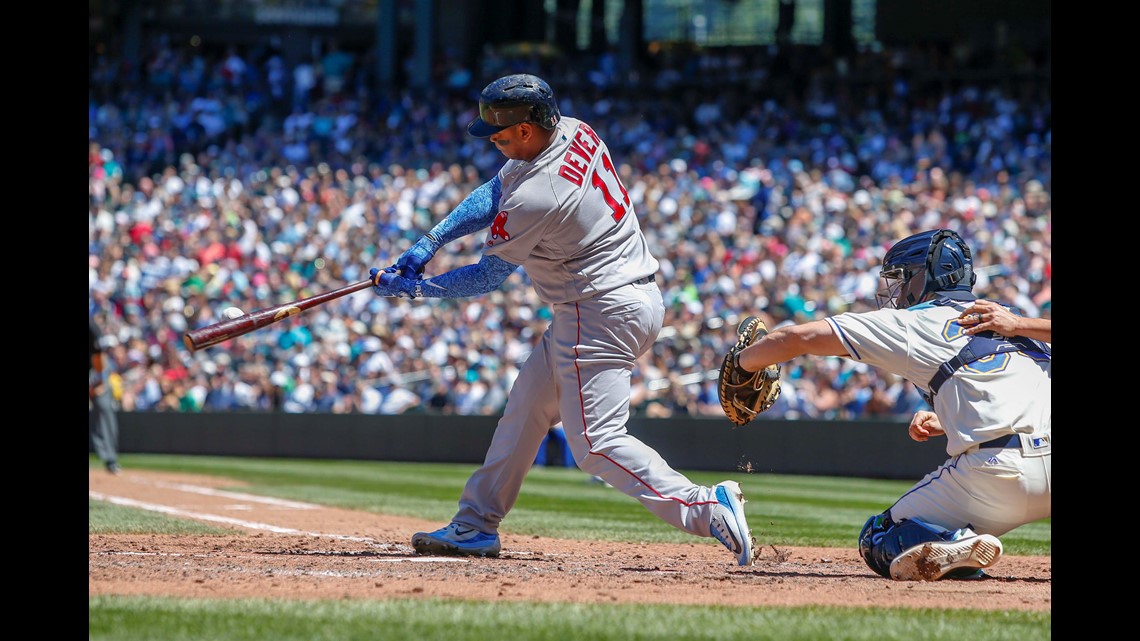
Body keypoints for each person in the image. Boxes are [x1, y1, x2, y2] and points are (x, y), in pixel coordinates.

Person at [368, 73, 755, 565]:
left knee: (596, 443)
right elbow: (494, 191)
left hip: (597, 310)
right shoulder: (574, 129)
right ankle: (475, 524)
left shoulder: (541, 193)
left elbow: (488, 277)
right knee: (526, 407)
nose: (492, 140)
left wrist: (419, 289)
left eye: (501, 133)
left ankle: (705, 506)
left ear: (528, 130)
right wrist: (429, 243)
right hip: (626, 298)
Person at [726, 229, 1050, 580]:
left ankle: (955, 543)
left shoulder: (915, 321)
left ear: (925, 275)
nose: (898, 289)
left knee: (878, 538)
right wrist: (950, 420)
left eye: (902, 276)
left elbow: (797, 337)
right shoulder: (1015, 321)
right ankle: (955, 546)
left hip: (999, 476)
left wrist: (742, 364)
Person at [90, 318, 122, 474]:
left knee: (104, 409)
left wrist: (100, 380)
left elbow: (98, 353)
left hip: (95, 370)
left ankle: (110, 459)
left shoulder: (91, 325)